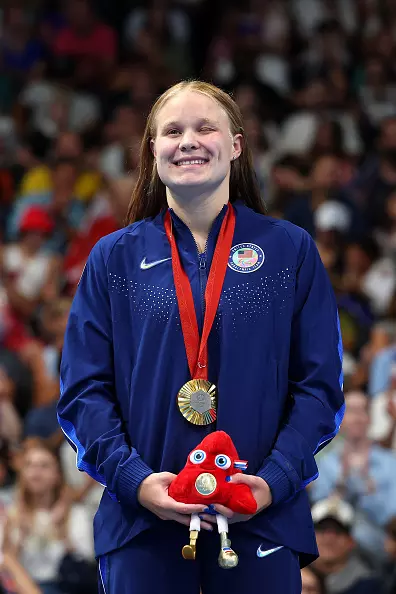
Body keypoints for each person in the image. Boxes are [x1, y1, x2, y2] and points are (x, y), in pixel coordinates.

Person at [57, 80, 345, 594]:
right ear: (153, 151)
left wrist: (274, 481)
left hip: (261, 518)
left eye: (205, 127)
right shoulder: (113, 259)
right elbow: (84, 391)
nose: (188, 140)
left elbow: (319, 388)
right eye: (172, 130)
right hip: (141, 523)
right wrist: (135, 481)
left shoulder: (288, 251)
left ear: (236, 145)